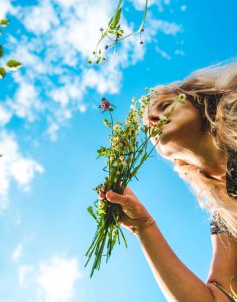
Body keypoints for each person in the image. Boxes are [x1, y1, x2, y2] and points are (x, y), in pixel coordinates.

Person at [99, 61, 237, 301]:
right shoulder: (225, 213)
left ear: (198, 101)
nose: (153, 118)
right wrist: (143, 226)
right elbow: (217, 298)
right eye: (148, 124)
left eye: (165, 105)